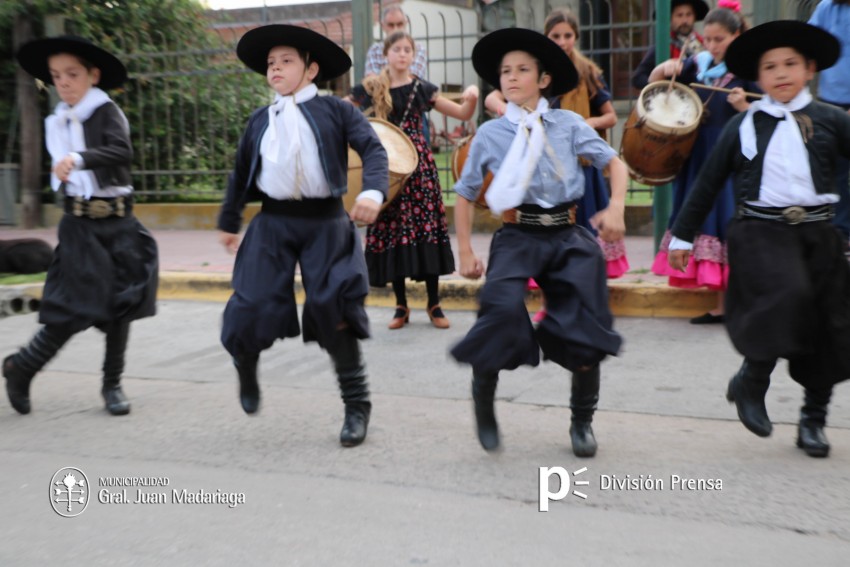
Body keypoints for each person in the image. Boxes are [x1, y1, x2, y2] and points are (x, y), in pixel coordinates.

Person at [668, 20, 850, 458]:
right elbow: (708, 183)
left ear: (810, 69)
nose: (781, 73)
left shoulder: (831, 119)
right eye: (770, 67)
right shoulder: (744, 126)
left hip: (818, 231)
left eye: (791, 64)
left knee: (829, 325)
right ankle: (752, 379)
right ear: (759, 76)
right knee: (788, 292)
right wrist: (683, 237)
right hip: (758, 230)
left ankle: (813, 420)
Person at [451, 28, 627, 457]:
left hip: (567, 234)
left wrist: (618, 206)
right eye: (505, 71)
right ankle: (484, 404)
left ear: (543, 79)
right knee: (498, 311)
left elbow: (614, 162)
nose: (511, 78)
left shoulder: (567, 124)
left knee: (587, 323)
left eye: (522, 70)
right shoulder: (491, 134)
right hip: (517, 235)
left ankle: (581, 421)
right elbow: (464, 192)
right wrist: (466, 250)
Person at [217, 25, 389, 447]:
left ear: (311, 70)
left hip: (327, 223)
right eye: (271, 63)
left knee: (335, 308)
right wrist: (229, 219)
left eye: (286, 60)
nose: (275, 67)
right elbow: (241, 173)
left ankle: (356, 404)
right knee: (251, 303)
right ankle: (246, 366)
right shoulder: (260, 120)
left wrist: (371, 191)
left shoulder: (338, 111)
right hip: (272, 224)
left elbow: (373, 149)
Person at [4, 36, 159, 415]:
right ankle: (23, 367)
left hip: (120, 224)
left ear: (93, 75)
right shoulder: (57, 120)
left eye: (72, 74)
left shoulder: (106, 111)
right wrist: (69, 164)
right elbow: (64, 178)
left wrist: (78, 158)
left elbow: (121, 152)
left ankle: (112, 385)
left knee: (121, 306)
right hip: (80, 227)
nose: (64, 82)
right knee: (72, 307)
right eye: (56, 76)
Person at [485, 9, 629, 284]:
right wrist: (509, 111)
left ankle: (585, 293)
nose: (562, 41)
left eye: (567, 35)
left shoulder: (588, 72)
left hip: (581, 166)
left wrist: (587, 122)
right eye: (555, 36)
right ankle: (555, 295)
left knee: (582, 233)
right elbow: (492, 97)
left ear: (576, 36)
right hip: (543, 165)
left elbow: (610, 115)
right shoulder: (534, 70)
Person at [348, 31, 478, 330]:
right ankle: (401, 306)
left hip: (420, 170)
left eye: (408, 49)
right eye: (397, 49)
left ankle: (434, 304)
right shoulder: (371, 87)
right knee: (393, 232)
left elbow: (461, 112)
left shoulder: (422, 88)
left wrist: (472, 96)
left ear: (413, 55)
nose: (403, 54)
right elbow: (342, 109)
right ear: (386, 54)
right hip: (386, 169)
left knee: (425, 231)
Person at [649, 6, 758, 324]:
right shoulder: (697, 66)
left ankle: (737, 303)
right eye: (708, 39)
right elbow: (652, 82)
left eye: (719, 39)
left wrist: (745, 106)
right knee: (703, 221)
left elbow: (768, 112)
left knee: (725, 224)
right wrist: (663, 69)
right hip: (699, 156)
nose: (712, 45)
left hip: (732, 159)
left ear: (736, 36)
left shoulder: (748, 69)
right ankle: (721, 306)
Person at [808, 0, 850, 252]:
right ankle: (841, 232)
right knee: (835, 172)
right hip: (830, 104)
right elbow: (810, 44)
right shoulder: (825, 8)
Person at [631, 0, 708, 91]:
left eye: (689, 14)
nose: (685, 20)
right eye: (679, 15)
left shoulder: (705, 44)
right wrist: (659, 83)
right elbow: (638, 78)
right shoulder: (663, 47)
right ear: (670, 18)